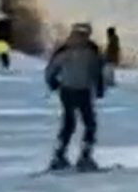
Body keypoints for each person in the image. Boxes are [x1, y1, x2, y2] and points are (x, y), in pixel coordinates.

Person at [44, 22, 108, 171]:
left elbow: (51, 70)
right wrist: (99, 88)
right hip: (84, 90)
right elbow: (97, 71)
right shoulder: (92, 51)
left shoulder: (64, 49)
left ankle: (59, 154)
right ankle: (85, 156)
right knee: (89, 123)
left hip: (67, 90)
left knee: (68, 123)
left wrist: (53, 83)